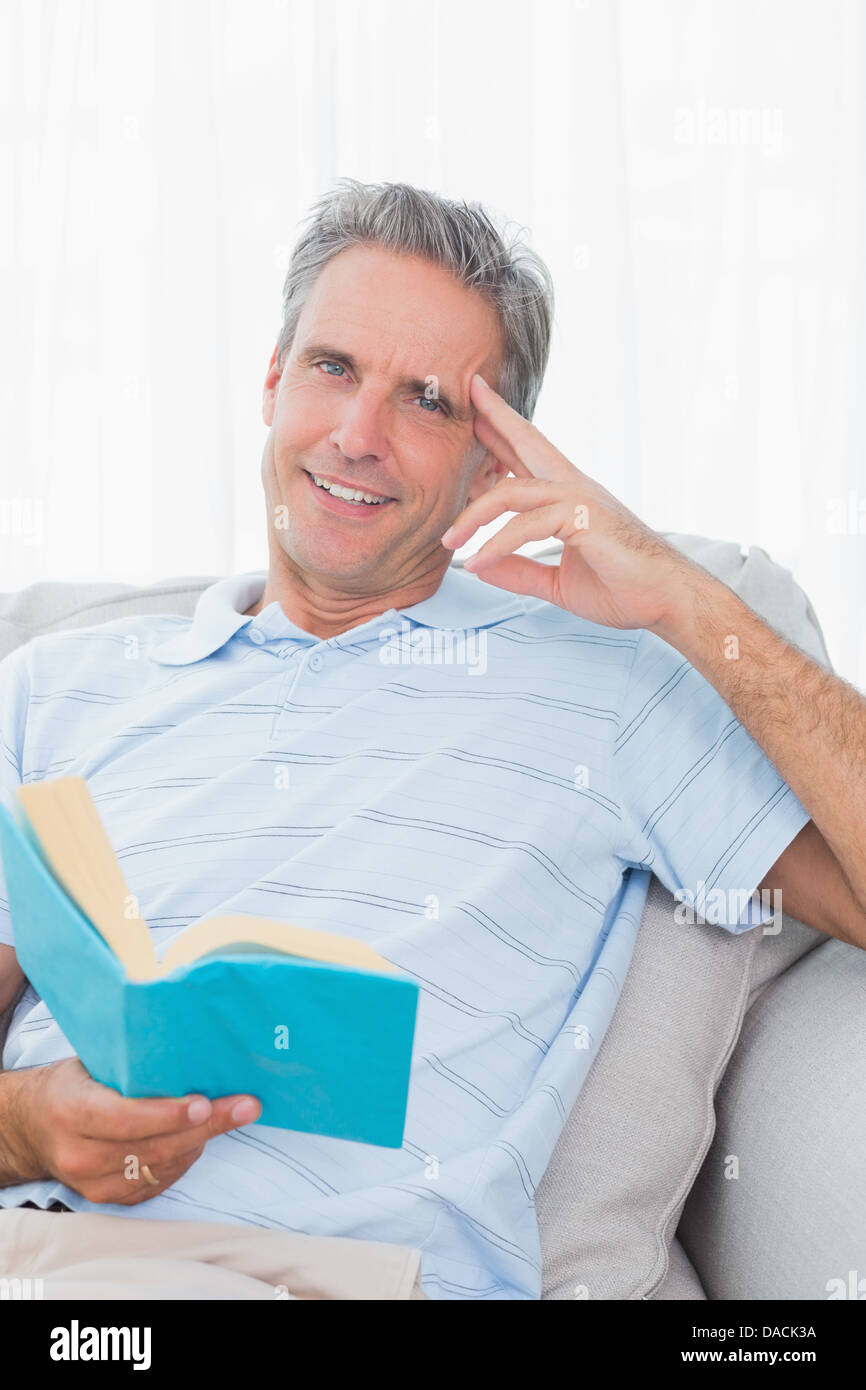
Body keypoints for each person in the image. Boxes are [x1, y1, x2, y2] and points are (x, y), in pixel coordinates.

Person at [0, 180, 864, 1301]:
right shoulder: (56, 688)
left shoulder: (608, 688)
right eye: (332, 369)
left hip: (322, 1280)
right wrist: (22, 1126)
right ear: (270, 381)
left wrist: (686, 601)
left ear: (494, 461)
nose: (357, 437)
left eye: (424, 400)